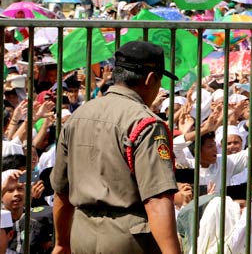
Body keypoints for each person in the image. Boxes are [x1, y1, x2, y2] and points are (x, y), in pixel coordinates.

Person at [51, 41, 181, 254]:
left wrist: (61, 242)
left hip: (82, 234)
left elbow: (61, 191)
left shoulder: (78, 117)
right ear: (150, 79)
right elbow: (157, 199)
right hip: (128, 238)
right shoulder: (145, 123)